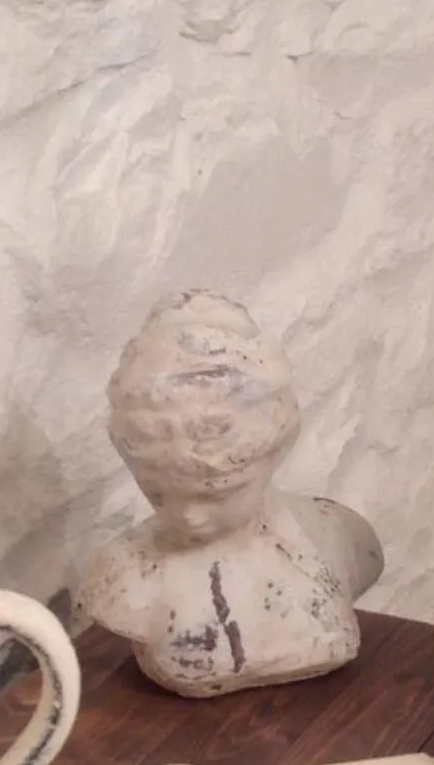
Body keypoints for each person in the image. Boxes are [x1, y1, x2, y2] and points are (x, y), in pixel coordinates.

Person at [76, 291, 383, 696]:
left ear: (273, 452)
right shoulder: (122, 575)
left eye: (216, 495)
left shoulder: (342, 534)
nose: (189, 517)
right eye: (158, 493)